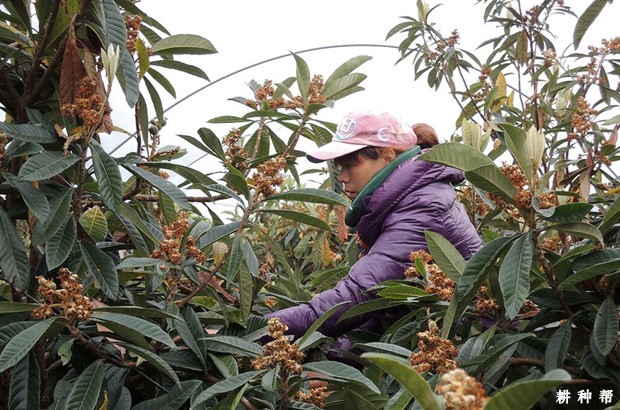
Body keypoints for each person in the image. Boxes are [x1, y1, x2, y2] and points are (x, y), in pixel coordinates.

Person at [266, 111, 483, 344]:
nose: (343, 177)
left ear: (387, 156)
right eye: (340, 168)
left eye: (350, 165)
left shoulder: (424, 205)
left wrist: (262, 330)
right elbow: (383, 311)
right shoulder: (408, 201)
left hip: (474, 346)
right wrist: (339, 360)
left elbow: (358, 297)